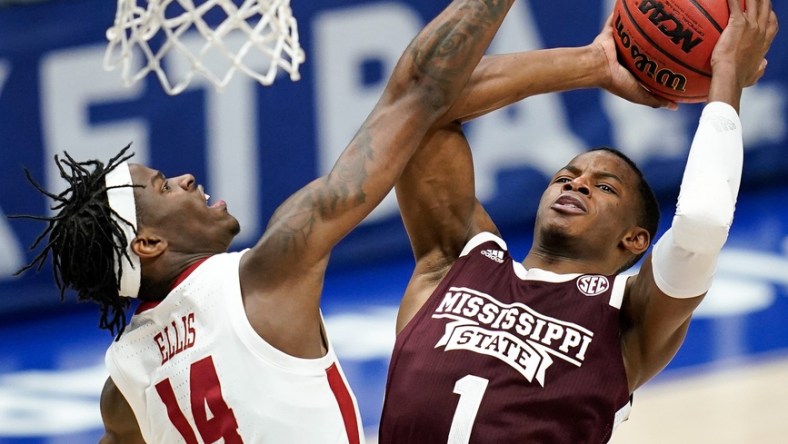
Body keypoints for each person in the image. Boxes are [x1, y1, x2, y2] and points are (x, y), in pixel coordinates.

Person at [12, 1, 520, 442]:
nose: (186, 179)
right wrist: (594, 63)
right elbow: (419, 90)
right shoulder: (261, 277)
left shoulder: (124, 386)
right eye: (165, 185)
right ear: (147, 242)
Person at [378, 0, 778, 442]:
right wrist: (594, 63)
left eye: (604, 187)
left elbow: (701, 224)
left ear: (635, 239)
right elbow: (419, 103)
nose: (578, 185)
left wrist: (726, 76)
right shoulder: (457, 260)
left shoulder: (628, 316)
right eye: (566, 177)